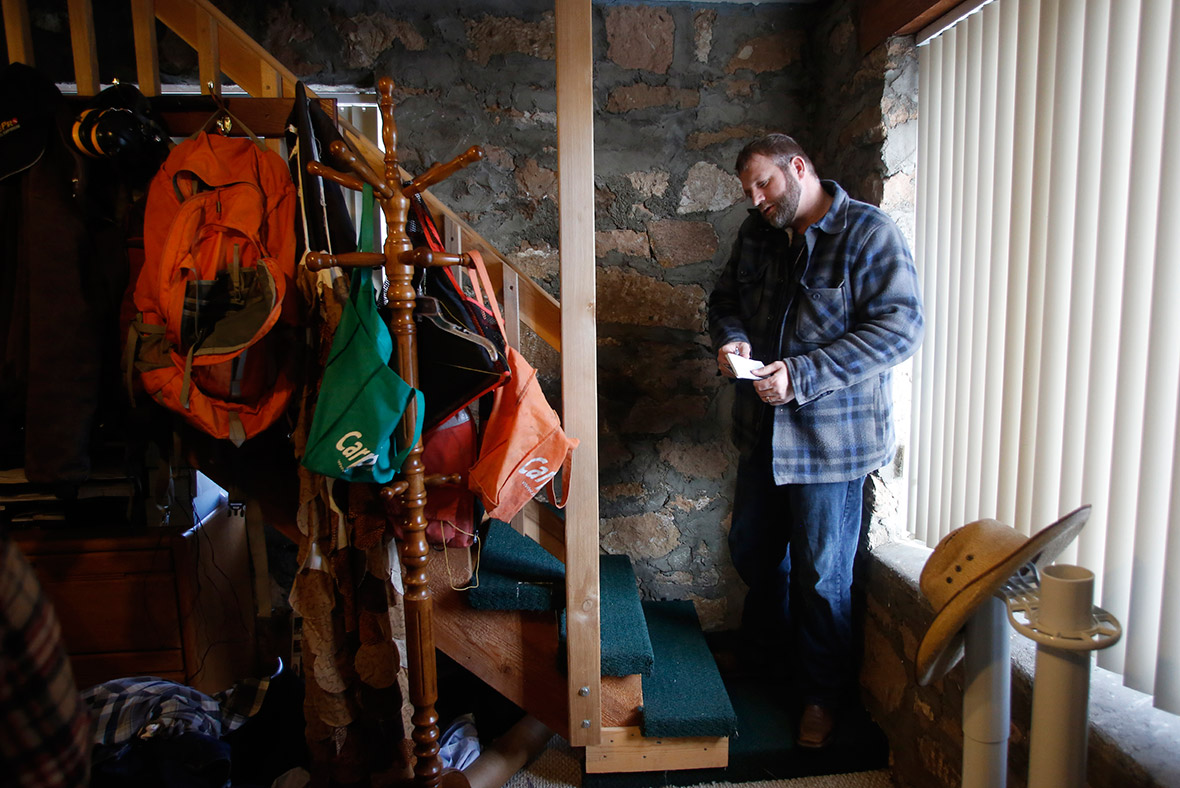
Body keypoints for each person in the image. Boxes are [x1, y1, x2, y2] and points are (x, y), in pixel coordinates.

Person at [708, 134, 923, 748]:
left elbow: (902, 328)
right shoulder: (757, 233)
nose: (755, 199)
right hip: (761, 436)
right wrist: (731, 342)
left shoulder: (870, 234)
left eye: (764, 184)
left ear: (798, 166)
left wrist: (802, 375)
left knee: (823, 577)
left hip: (833, 449)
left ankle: (821, 697)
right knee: (753, 553)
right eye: (748, 190)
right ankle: (766, 660)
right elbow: (724, 302)